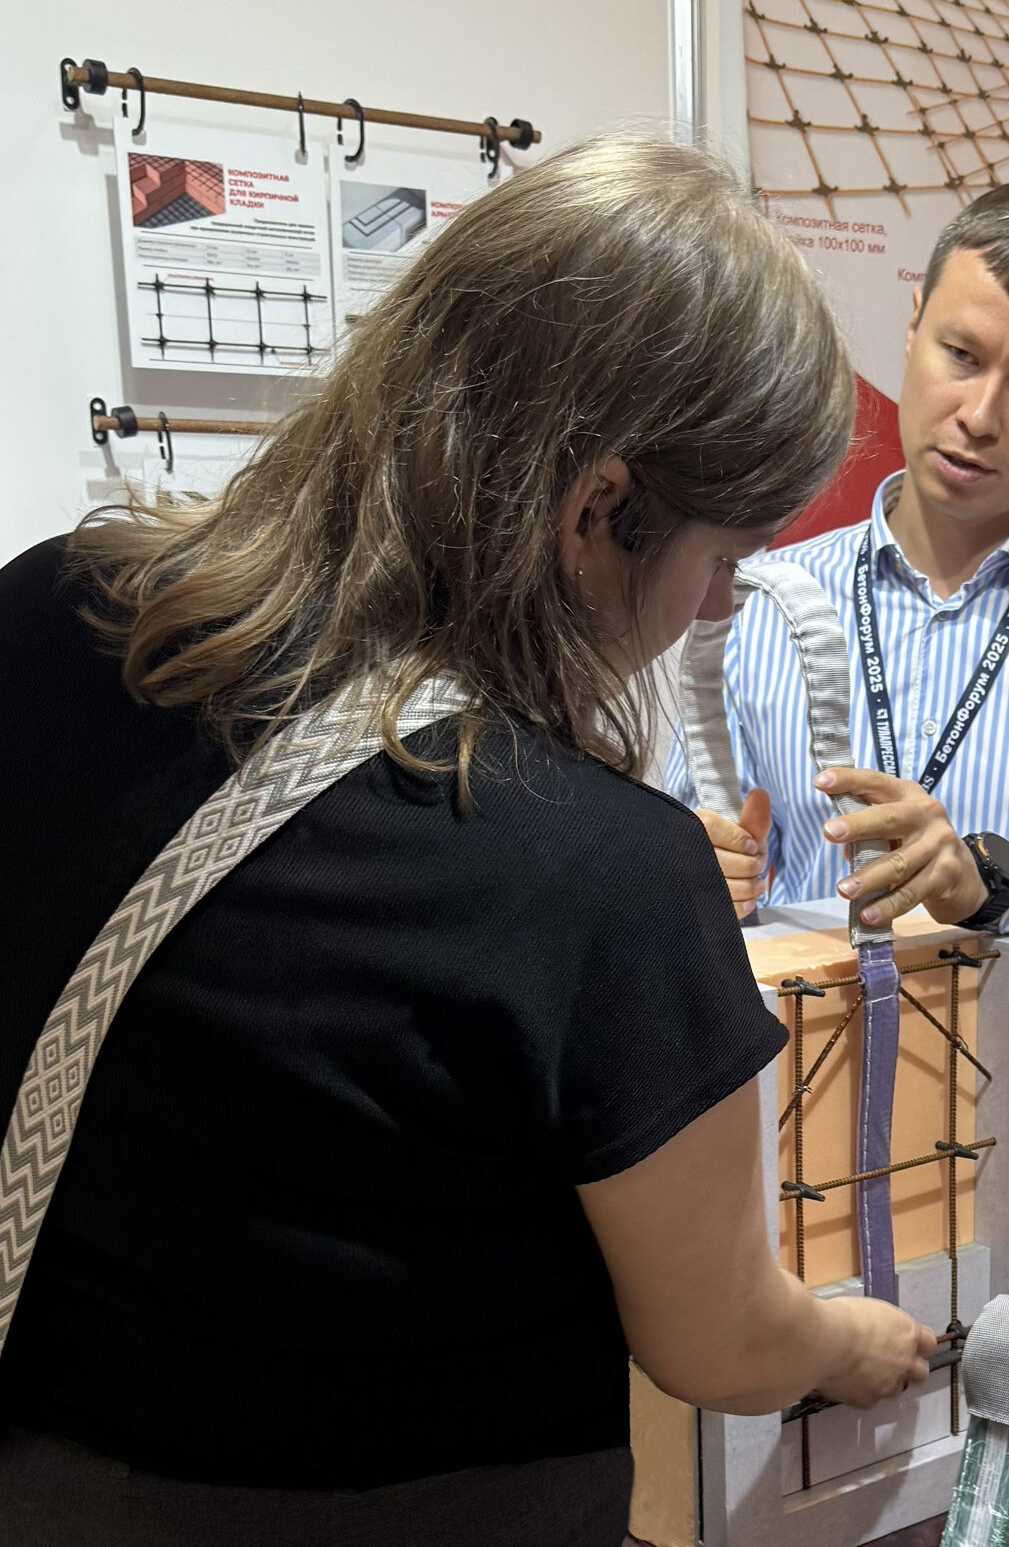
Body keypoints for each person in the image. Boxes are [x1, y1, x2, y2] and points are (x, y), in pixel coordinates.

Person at [0, 137, 933, 1547]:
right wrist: (850, 1343)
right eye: (723, 560)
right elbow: (722, 1343)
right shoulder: (603, 871)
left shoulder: (56, 615)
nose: (716, 608)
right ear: (598, 512)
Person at [665, 181, 1009, 1460]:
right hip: (767, 1132)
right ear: (912, 322)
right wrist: (682, 867)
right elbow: (658, 827)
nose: (980, 415)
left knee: (1000, 1503)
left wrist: (995, 881)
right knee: (765, 1501)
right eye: (961, 355)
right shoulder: (751, 598)